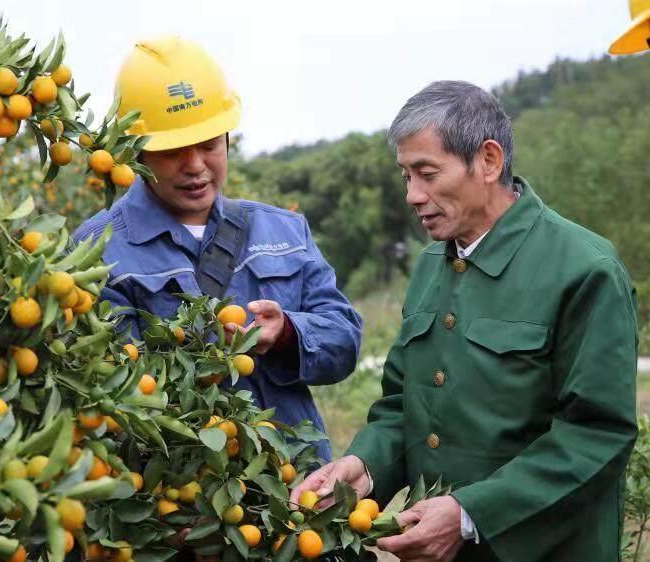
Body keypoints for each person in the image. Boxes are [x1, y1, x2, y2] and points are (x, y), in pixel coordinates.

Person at [292, 81, 639, 561]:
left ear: (489, 161)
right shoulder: (431, 266)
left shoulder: (583, 269)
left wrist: (469, 513)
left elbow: (596, 432)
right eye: (405, 176)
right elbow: (403, 405)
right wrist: (364, 467)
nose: (413, 195)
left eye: (427, 173)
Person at [73, 36, 362, 461]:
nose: (195, 165)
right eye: (173, 151)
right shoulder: (98, 250)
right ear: (135, 153)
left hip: (298, 493)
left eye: (208, 145)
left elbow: (344, 341)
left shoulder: (281, 229)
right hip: (178, 503)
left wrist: (286, 333)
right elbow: (113, 388)